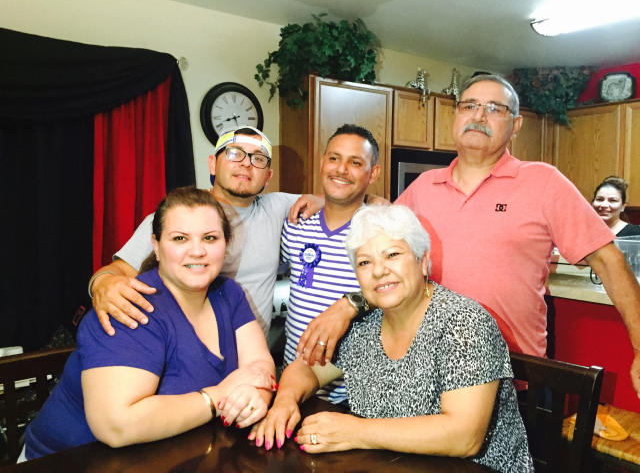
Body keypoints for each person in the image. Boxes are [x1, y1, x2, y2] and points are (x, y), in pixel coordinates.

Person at [298, 74, 640, 399]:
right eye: (469, 105)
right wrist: (328, 201)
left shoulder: (543, 183)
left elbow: (609, 262)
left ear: (516, 125)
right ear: (456, 116)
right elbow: (381, 249)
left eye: (495, 108)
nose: (479, 115)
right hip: (431, 376)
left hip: (514, 381)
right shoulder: (423, 189)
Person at [251, 205, 534, 473]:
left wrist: (354, 431)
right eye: (365, 262)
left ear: (423, 262)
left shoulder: (464, 323)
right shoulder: (363, 324)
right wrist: (286, 399)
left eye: (393, 255)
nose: (378, 270)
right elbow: (307, 368)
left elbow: (464, 436)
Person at [22, 187, 276, 461]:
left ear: (225, 244)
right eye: (180, 238)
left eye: (210, 238)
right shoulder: (130, 305)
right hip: (69, 463)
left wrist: (258, 394)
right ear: (156, 245)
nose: (197, 250)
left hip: (175, 455)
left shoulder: (229, 293)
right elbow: (116, 426)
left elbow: (259, 366)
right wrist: (218, 396)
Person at [89, 126, 322, 336]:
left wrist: (320, 200)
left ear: (268, 177)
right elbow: (115, 271)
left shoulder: (277, 207)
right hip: (191, 360)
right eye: (234, 153)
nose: (246, 163)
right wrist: (102, 284)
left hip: (254, 363)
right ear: (213, 163)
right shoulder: (179, 215)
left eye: (258, 158)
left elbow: (344, 202)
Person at [281, 124, 381, 404]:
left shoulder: (381, 232)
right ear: (322, 162)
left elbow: (399, 295)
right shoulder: (296, 224)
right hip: (294, 391)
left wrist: (348, 306)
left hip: (354, 398)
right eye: (334, 158)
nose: (341, 169)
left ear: (373, 173)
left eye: (356, 162)